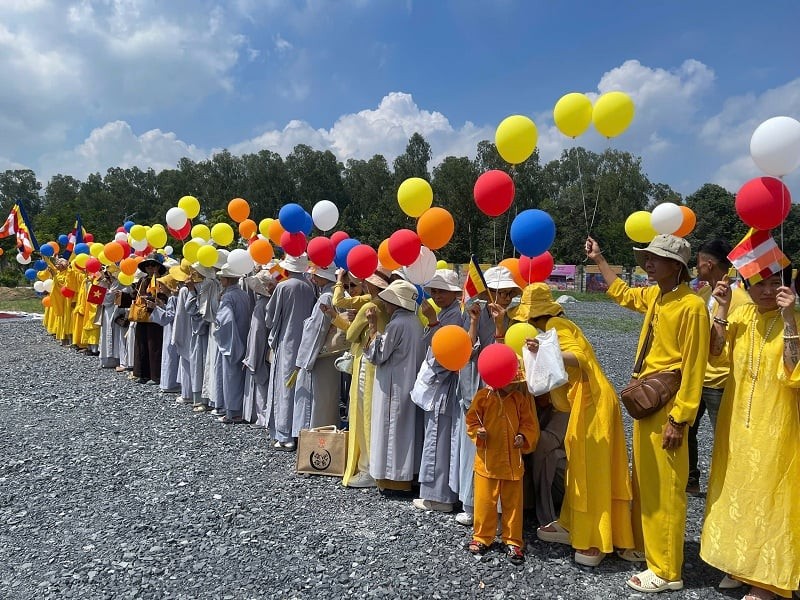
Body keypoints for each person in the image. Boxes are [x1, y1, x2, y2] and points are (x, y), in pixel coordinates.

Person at [586, 234, 709, 593]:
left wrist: (680, 418)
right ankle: (649, 550)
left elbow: (695, 367)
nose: (649, 263)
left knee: (667, 488)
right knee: (647, 481)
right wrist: (599, 259)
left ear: (677, 266)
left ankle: (668, 571)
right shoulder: (659, 295)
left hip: (668, 404)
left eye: (657, 258)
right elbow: (622, 292)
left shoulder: (692, 306)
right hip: (648, 401)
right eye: (648, 257)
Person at [700, 261, 800, 600]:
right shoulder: (742, 317)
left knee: (771, 494)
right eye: (759, 284)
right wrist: (723, 309)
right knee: (739, 488)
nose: (768, 291)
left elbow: (795, 369)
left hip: (777, 421)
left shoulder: (795, 319)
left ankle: (769, 581)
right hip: (738, 417)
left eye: (775, 283)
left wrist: (789, 319)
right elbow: (715, 352)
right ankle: (742, 564)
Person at [518, 283, 634, 567]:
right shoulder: (555, 328)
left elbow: (579, 358)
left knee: (591, 473)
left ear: (536, 317)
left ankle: (596, 538)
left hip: (592, 405)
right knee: (580, 468)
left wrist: (547, 352)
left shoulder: (557, 325)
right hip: (584, 404)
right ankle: (572, 523)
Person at [453, 266, 517, 526]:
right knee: (473, 446)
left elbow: (507, 354)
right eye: (500, 293)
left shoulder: (513, 317)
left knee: (499, 447)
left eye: (509, 294)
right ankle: (471, 503)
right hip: (475, 387)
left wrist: (501, 324)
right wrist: (475, 322)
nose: (505, 299)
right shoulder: (473, 312)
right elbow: (465, 352)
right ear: (488, 291)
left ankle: (499, 509)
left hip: (503, 388)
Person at [686, 239, 749, 495]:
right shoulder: (702, 294)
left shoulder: (740, 300)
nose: (696, 268)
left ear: (709, 264)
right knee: (686, 427)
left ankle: (732, 485)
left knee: (723, 435)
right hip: (696, 376)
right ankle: (691, 480)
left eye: (699, 263)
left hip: (720, 381)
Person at [465, 381, 539, 565]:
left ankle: (513, 540)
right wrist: (477, 432)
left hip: (512, 462)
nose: (512, 386)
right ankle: (482, 537)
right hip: (487, 461)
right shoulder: (484, 397)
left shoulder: (519, 399)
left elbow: (529, 424)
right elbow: (472, 419)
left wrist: (523, 436)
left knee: (513, 504)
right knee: (484, 502)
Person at [364, 279, 425, 493]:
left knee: (391, 430)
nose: (386, 306)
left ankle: (392, 478)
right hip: (409, 381)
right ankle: (408, 475)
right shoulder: (416, 321)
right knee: (407, 430)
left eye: (389, 301)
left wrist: (372, 327)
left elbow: (378, 354)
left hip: (394, 384)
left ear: (396, 304)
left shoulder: (397, 324)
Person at [413, 269, 464, 513]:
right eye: (434, 291)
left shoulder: (454, 316)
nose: (437, 295)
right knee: (439, 436)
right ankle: (439, 494)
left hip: (443, 382)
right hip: (441, 380)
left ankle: (439, 497)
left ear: (454, 293)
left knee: (439, 437)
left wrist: (433, 322)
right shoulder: (449, 313)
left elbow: (446, 352)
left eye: (442, 291)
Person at [339, 269, 391, 488]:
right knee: (376, 415)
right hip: (384, 364)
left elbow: (350, 335)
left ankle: (367, 466)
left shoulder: (369, 306)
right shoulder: (391, 307)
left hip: (366, 362)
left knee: (362, 414)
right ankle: (377, 465)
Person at [264, 254, 316, 451]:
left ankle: (284, 434)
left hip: (287, 340)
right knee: (299, 386)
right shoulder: (310, 286)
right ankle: (297, 430)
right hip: (304, 340)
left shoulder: (284, 286)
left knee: (284, 386)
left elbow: (271, 316)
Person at [292, 265, 343, 436]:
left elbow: (316, 330)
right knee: (328, 397)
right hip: (330, 355)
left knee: (315, 399)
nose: (313, 278)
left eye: (317, 275)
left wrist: (303, 360)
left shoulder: (325, 298)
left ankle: (312, 438)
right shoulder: (334, 295)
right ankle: (327, 436)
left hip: (319, 356)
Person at [213, 264, 252, 424]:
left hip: (231, 339)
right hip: (244, 336)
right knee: (240, 377)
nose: (220, 279)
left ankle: (232, 412)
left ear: (227, 280)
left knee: (230, 376)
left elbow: (226, 321)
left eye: (222, 277)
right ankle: (241, 409)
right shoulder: (244, 294)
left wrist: (220, 332)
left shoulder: (228, 297)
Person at [242, 270, 276, 426]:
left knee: (260, 381)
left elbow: (256, 332)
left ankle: (262, 417)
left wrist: (251, 357)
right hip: (271, 347)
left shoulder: (261, 305)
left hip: (260, 347)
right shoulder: (273, 302)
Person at [132, 254, 167, 385]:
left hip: (155, 316)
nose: (149, 268)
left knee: (154, 345)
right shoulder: (142, 280)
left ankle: (155, 375)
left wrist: (153, 301)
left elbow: (164, 297)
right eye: (147, 265)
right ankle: (142, 373)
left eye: (152, 265)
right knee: (141, 344)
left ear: (158, 266)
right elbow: (135, 295)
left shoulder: (162, 280)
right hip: (142, 315)